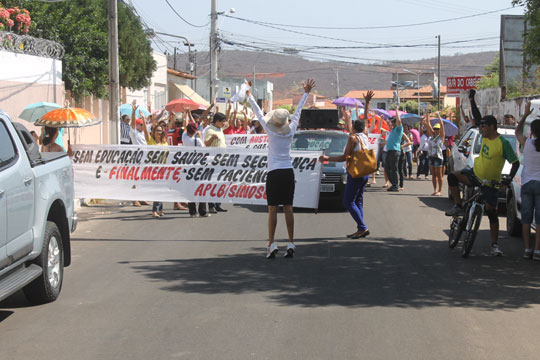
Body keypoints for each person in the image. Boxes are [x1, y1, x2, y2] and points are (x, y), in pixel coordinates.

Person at [247, 78, 316, 259]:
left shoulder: (270, 131)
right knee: (289, 208)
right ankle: (291, 242)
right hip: (287, 171)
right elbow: (299, 111)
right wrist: (306, 92)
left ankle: (271, 243)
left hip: (274, 173)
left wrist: (249, 95)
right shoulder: (291, 129)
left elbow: (258, 113)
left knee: (272, 209)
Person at [446, 115, 520, 256]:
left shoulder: (503, 143)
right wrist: (472, 99)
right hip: (475, 174)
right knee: (452, 176)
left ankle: (494, 245)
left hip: (491, 182)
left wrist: (508, 179)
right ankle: (458, 205)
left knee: (492, 212)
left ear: (491, 126)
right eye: (479, 126)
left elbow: (515, 163)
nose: (480, 129)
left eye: (483, 126)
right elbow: (477, 115)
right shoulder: (484, 136)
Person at [320, 118, 370, 239]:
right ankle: (360, 228)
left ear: (353, 127)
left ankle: (363, 227)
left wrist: (327, 158)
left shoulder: (352, 138)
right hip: (365, 172)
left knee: (348, 202)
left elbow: (345, 157)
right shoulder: (365, 136)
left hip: (355, 173)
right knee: (358, 201)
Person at [516, 103, 540, 259]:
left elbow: (517, 131)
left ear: (531, 131)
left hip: (527, 185)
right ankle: (538, 250)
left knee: (525, 218)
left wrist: (525, 115)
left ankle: (527, 249)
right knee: (539, 220)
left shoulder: (527, 143)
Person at [205, 112, 228, 213]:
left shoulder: (220, 129)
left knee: (220, 183)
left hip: (222, 160)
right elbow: (206, 143)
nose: (224, 123)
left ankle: (218, 204)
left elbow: (229, 123)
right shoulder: (210, 130)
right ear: (217, 121)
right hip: (214, 162)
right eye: (223, 121)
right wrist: (212, 138)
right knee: (213, 183)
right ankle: (211, 205)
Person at [145, 123, 168, 218]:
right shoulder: (151, 141)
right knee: (157, 190)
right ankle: (155, 210)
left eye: (160, 130)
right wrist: (143, 119)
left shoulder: (164, 143)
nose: (159, 132)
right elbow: (145, 133)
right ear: (153, 132)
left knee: (161, 190)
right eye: (157, 130)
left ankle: (160, 209)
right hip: (153, 170)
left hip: (163, 169)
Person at [424, 112, 446, 196]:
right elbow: (428, 125)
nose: (436, 130)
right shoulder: (431, 136)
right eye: (435, 129)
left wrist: (438, 116)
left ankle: (440, 190)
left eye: (437, 129)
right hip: (431, 156)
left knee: (439, 174)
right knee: (433, 174)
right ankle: (435, 190)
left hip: (438, 157)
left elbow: (442, 125)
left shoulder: (441, 137)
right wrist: (427, 114)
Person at [383, 110, 403, 192]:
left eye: (393, 122)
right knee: (387, 168)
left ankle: (396, 185)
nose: (393, 123)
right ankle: (394, 184)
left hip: (394, 151)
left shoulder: (399, 129)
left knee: (394, 168)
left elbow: (399, 121)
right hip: (390, 150)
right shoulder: (393, 130)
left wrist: (396, 110)